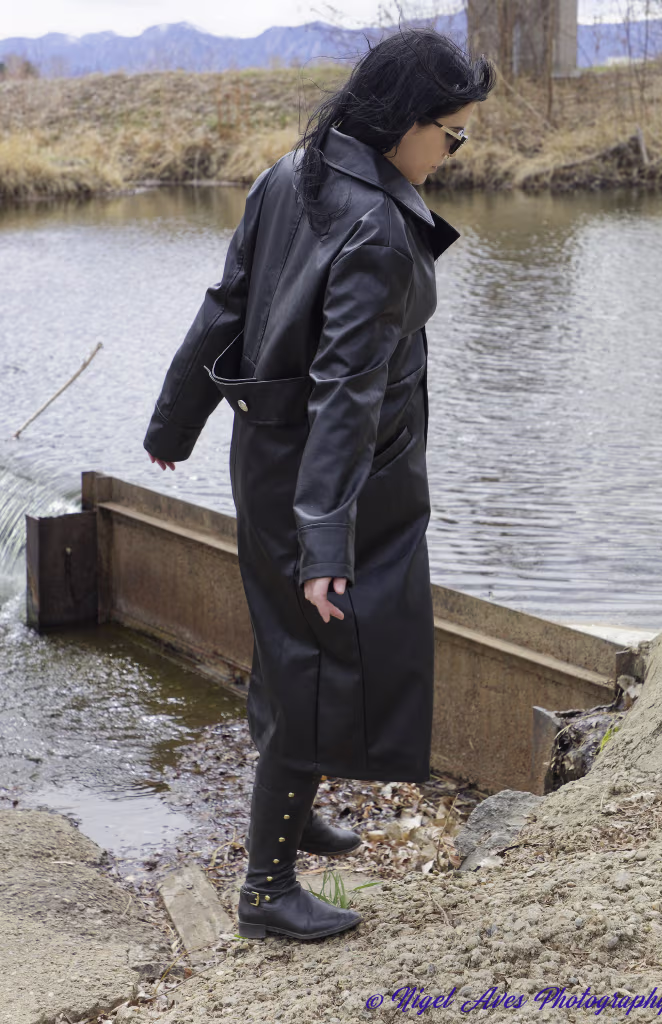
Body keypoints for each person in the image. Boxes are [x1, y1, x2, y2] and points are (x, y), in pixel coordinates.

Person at [143, 27, 495, 942]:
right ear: (406, 122)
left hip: (269, 460)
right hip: (339, 481)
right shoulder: (377, 227)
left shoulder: (291, 171)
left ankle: (294, 816)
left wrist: (174, 421)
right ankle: (266, 888)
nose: (454, 152)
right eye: (452, 134)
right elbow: (346, 391)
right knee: (321, 661)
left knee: (292, 649)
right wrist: (325, 542)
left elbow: (224, 306)